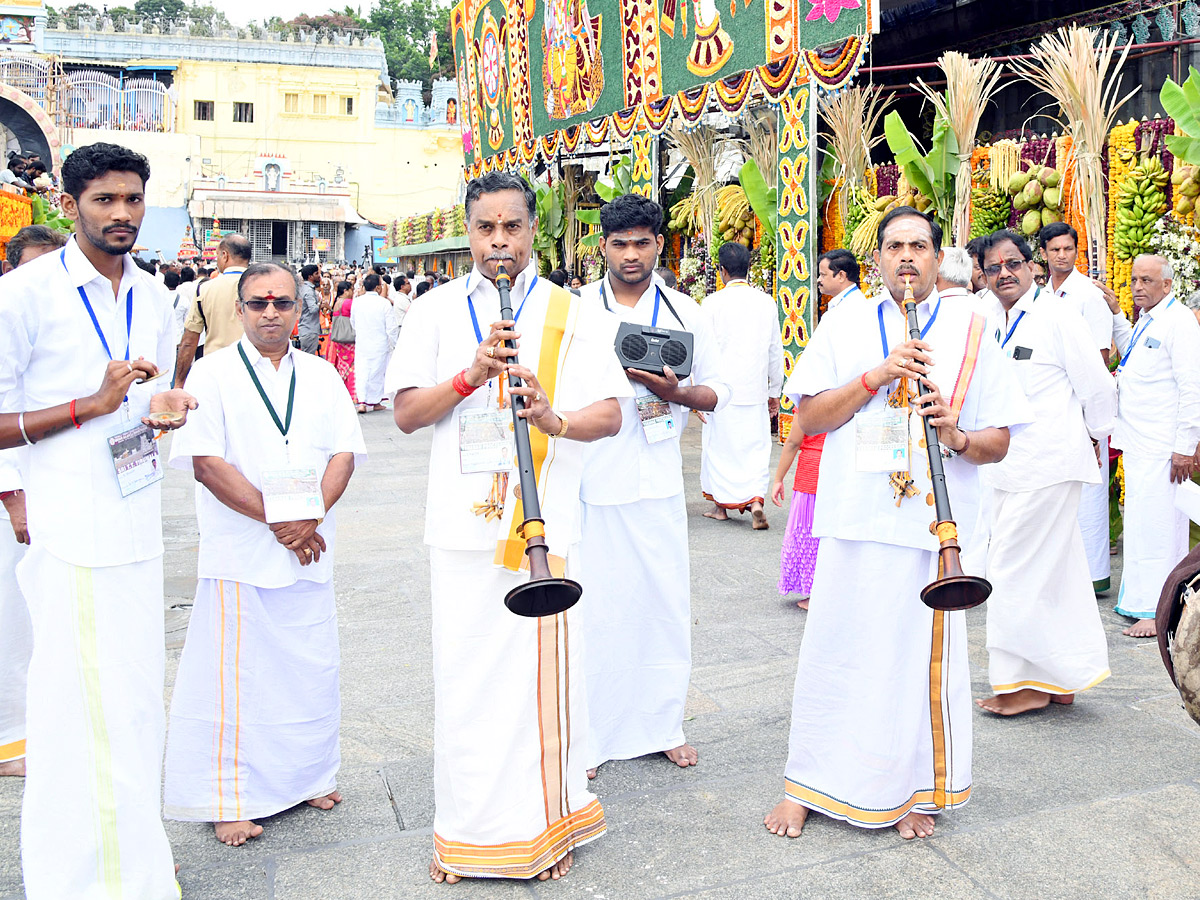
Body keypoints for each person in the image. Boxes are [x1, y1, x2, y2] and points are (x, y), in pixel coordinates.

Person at [387, 171, 628, 883]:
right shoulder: (433, 312)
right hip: (463, 533)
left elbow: (610, 415)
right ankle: (469, 835)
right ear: (469, 232)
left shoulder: (571, 312)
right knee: (467, 685)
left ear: (532, 232)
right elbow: (404, 413)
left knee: (545, 680)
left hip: (546, 529)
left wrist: (554, 417)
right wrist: (468, 377)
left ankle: (545, 826)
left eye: (512, 227)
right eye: (486, 228)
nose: (499, 242)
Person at [764, 207, 1028, 842]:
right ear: (877, 258)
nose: (906, 257)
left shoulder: (970, 327)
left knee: (913, 665)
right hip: (855, 519)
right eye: (893, 246)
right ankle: (810, 784)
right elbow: (814, 418)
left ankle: (911, 789)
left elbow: (1000, 441)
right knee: (837, 653)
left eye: (918, 246)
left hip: (931, 532)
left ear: (939, 258)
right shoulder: (845, 320)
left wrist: (957, 435)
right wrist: (875, 376)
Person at [0, 141, 196, 900]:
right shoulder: (26, 294)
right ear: (71, 202)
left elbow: (141, 401)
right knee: (80, 712)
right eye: (105, 200)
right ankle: (81, 879)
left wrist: (161, 409)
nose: (121, 215)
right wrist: (89, 405)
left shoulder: (152, 293)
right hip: (71, 533)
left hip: (137, 524)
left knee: (137, 704)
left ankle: (135, 864)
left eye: (133, 200)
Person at [163, 262, 365, 847]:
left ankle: (306, 778)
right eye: (258, 303)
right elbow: (206, 464)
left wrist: (310, 520)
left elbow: (345, 454)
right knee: (234, 680)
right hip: (241, 553)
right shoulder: (212, 373)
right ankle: (228, 798)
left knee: (308, 671)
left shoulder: (322, 374)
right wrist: (281, 521)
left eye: (281, 302)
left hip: (307, 549)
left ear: (301, 310)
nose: (270, 311)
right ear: (241, 310)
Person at [576, 193, 729, 778]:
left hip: (659, 476)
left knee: (662, 605)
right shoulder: (577, 310)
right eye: (620, 244)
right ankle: (588, 734)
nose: (632, 254)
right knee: (596, 608)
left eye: (643, 242)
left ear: (659, 244)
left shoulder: (689, 311)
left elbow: (716, 393)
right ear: (603, 248)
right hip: (591, 476)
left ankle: (661, 725)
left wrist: (676, 393)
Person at [974, 229, 1116, 716]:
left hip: (1048, 464)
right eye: (994, 267)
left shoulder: (1058, 315)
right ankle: (1062, 677)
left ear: (1032, 266)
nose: (1005, 274)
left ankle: (1023, 684)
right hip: (999, 466)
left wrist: (1100, 437)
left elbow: (1097, 387)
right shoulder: (984, 314)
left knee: (1010, 569)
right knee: (1058, 574)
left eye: (1013, 263)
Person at [0, 225, 66, 779]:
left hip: (50, 478)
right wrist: (12, 494)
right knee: (11, 613)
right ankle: (11, 737)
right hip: (12, 484)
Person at [1110, 255, 1200, 636]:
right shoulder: (1149, 318)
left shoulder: (1179, 322)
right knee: (1143, 525)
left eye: (1146, 280)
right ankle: (1142, 600)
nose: (1137, 287)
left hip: (1165, 448)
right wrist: (1117, 316)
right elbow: (1133, 352)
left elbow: (1192, 387)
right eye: (1133, 280)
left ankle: (1161, 611)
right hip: (1140, 443)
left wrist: (1185, 445)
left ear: (1167, 284)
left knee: (1163, 529)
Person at [1040, 222, 1118, 592]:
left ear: (1077, 251)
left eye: (1068, 249)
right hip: (1053, 407)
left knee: (1089, 493)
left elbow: (1101, 357)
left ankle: (1093, 576)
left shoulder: (1088, 294)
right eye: (1054, 250)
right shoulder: (1040, 295)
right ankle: (1063, 575)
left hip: (1086, 404)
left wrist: (1092, 424)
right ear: (1043, 254)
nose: (1061, 255)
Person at [700, 241, 783, 529]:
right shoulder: (766, 302)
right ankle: (756, 501)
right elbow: (775, 351)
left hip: (719, 392)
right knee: (756, 448)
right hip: (755, 389)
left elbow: (702, 350)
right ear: (749, 268)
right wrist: (775, 392)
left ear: (722, 271)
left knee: (718, 448)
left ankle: (720, 508)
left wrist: (696, 391)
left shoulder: (711, 304)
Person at [176, 234, 252, 385]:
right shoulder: (263, 287)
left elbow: (189, 342)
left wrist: (179, 382)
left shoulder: (204, 289)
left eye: (217, 255)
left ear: (225, 255)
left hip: (216, 371)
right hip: (255, 369)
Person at [771, 420, 823, 610]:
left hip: (810, 474)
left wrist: (778, 479)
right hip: (842, 473)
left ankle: (815, 593)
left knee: (808, 537)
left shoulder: (808, 399)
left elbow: (792, 442)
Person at [351, 273, 395, 413]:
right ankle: (374, 401)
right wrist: (395, 343)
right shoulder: (384, 303)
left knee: (362, 371)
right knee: (377, 372)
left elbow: (353, 322)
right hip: (379, 342)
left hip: (363, 342)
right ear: (377, 287)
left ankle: (363, 402)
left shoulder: (357, 302)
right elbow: (391, 327)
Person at [326, 279, 358, 405]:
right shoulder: (349, 303)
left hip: (339, 339)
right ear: (346, 291)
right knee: (352, 366)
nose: (353, 292)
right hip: (349, 338)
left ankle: (343, 392)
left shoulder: (337, 302)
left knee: (342, 364)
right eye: (351, 289)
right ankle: (353, 394)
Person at [298, 264, 322, 353]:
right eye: (316, 273)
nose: (319, 276)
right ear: (310, 277)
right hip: (309, 330)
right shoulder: (308, 291)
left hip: (306, 329)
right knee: (309, 358)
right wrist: (320, 304)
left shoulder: (303, 288)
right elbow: (313, 309)